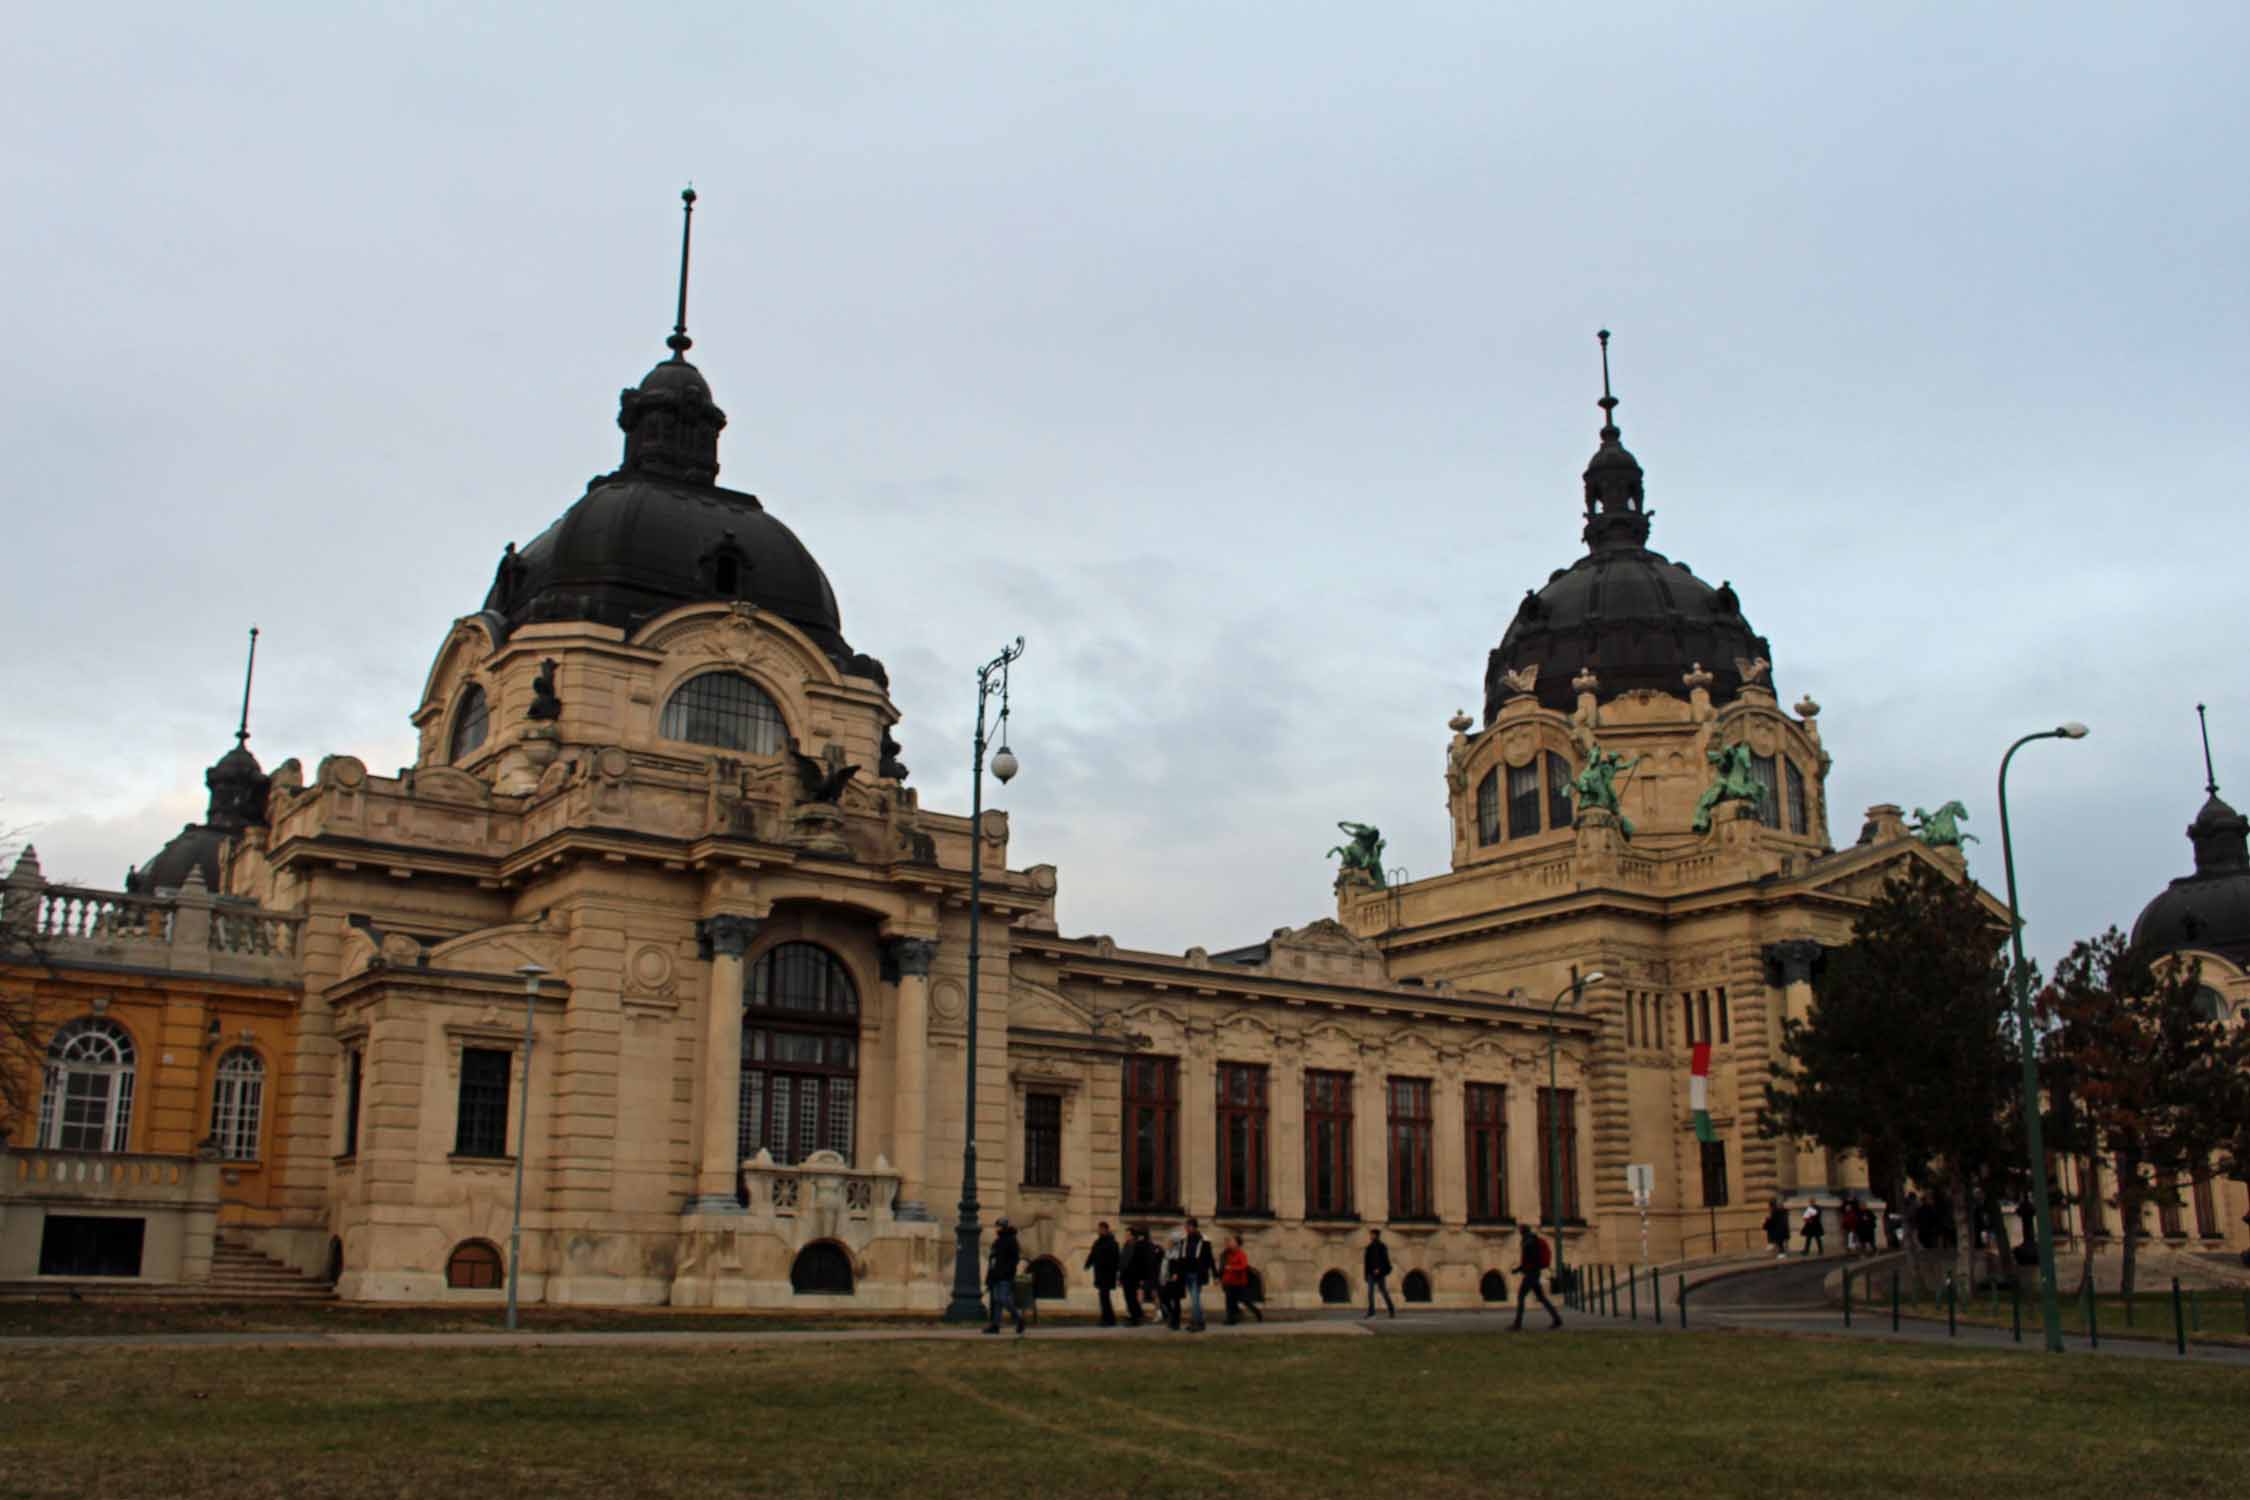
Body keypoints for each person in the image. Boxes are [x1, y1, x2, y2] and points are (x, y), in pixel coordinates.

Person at [1510, 1224, 1561, 1330]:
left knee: (1521, 1296)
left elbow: (1529, 1260)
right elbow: (1529, 1260)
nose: (1519, 1232)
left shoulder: (1528, 1242)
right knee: (1542, 1298)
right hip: (1534, 1272)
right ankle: (1557, 1319)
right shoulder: (1532, 1240)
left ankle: (1517, 1324)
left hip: (1531, 1274)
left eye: (1520, 1230)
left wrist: (1520, 1269)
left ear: (1522, 1231)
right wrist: (1519, 1269)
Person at [983, 1217, 1026, 1336]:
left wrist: (1006, 1272)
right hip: (996, 1276)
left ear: (1002, 1227)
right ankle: (995, 1326)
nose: (995, 1228)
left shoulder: (1011, 1241)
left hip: (1005, 1276)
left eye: (997, 1226)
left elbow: (1014, 1260)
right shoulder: (997, 1241)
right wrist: (990, 1277)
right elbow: (993, 1261)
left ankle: (1019, 1319)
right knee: (997, 1301)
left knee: (1003, 1299)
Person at [1180, 1217, 1216, 1332]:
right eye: (1186, 1226)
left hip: (1198, 1273)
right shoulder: (1184, 1240)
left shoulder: (1204, 1241)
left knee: (1195, 1299)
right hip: (1187, 1272)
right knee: (1194, 1298)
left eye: (1188, 1226)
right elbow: (1182, 1257)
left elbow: (1210, 1258)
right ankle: (1199, 1321)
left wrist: (1215, 1275)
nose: (1186, 1229)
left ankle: (1196, 1322)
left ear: (1193, 1227)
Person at [1219, 1233, 1263, 1325]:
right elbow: (1222, 1265)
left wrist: (1232, 1268)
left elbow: (1244, 1266)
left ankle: (1257, 1312)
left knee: (1244, 1300)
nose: (1230, 1243)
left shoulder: (1241, 1254)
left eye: (1232, 1241)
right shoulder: (1227, 1253)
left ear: (1237, 1244)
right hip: (1228, 1281)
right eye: (1230, 1241)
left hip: (1238, 1282)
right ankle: (1231, 1319)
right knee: (1230, 1301)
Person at [1086, 1221, 1121, 1327]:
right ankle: (1107, 1318)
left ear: (1105, 1229)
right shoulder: (1098, 1242)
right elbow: (1093, 1253)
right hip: (1100, 1273)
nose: (1099, 1231)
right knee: (1103, 1296)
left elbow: (1116, 1259)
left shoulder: (1112, 1243)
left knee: (1104, 1296)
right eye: (1099, 1229)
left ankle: (1108, 1319)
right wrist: (1088, 1264)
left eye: (1100, 1229)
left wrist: (1115, 1271)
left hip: (1107, 1274)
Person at [1126, 1226, 1161, 1325]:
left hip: (1143, 1274)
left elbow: (1137, 1261)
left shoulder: (1139, 1246)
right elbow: (1157, 1258)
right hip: (1152, 1273)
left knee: (1140, 1293)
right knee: (1154, 1294)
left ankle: (1137, 1313)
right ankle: (1158, 1313)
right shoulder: (1153, 1246)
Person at [1363, 1228, 1397, 1319]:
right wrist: (1366, 1275)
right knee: (1370, 1293)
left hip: (1380, 1273)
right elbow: (1366, 1262)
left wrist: (1379, 1269)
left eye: (1372, 1234)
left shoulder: (1382, 1246)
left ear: (1376, 1235)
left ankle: (1391, 1310)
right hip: (1371, 1273)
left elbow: (1385, 1260)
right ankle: (1371, 1312)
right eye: (1370, 1234)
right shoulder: (1369, 1247)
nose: (1370, 1236)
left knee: (1384, 1292)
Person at [1159, 1226, 1187, 1330]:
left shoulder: (1179, 1253)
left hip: (1176, 1280)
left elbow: (1180, 1266)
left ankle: (1176, 1322)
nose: (1168, 1242)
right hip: (1168, 1279)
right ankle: (1172, 1316)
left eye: (1170, 1240)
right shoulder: (1168, 1252)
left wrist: (1176, 1274)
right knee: (1164, 1297)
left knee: (1176, 1301)